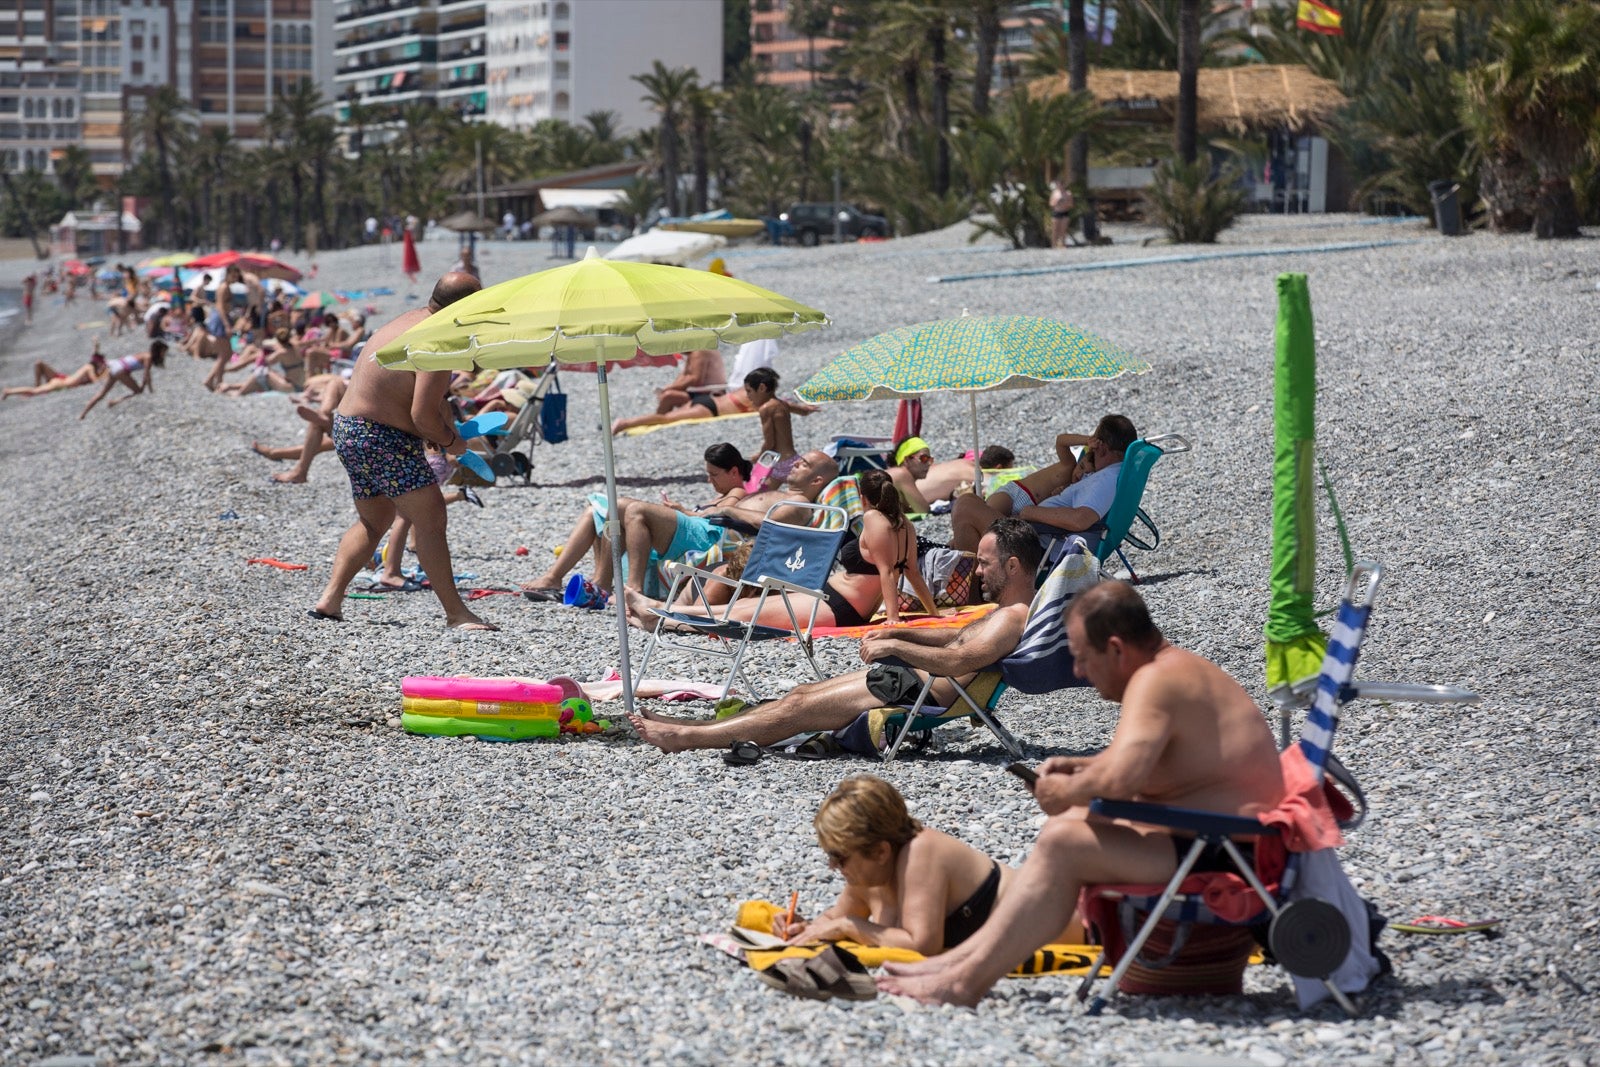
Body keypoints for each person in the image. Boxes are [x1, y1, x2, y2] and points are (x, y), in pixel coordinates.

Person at [878, 580, 1288, 1005]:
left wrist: (1068, 790)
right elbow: (1144, 763)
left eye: (1080, 658)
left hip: (1234, 853)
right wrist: (1082, 768)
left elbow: (1121, 781)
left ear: (1115, 649)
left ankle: (965, 981)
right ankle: (960, 962)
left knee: (1065, 840)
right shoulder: (1171, 669)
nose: (1077, 672)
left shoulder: (1155, 682)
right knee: (1072, 828)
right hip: (1225, 837)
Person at [628, 518, 1042, 752]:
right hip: (912, 681)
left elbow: (958, 661)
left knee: (797, 709)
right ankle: (689, 728)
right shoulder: (1002, 612)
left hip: (916, 691)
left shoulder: (1011, 618)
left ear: (1012, 567)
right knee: (799, 696)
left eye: (986, 563)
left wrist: (896, 644)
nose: (978, 571)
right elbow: (954, 644)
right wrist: (902, 635)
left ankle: (687, 739)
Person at [306, 271, 497, 631]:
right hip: (380, 436)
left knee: (373, 520)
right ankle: (457, 614)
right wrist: (453, 443)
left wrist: (437, 427)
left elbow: (414, 397)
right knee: (431, 518)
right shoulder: (441, 339)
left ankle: (329, 600)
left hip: (349, 428)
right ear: (467, 305)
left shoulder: (411, 320)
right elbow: (422, 415)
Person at [773, 776, 1081, 954]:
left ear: (880, 851)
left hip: (1091, 925)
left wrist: (849, 926)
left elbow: (921, 945)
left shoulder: (922, 852)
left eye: (839, 857)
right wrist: (801, 926)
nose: (833, 867)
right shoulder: (868, 877)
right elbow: (834, 920)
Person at [623, 466, 940, 633]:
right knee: (739, 612)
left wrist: (893, 620)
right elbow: (909, 571)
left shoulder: (872, 519)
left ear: (863, 496)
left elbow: (887, 572)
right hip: (833, 596)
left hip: (841, 607)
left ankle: (657, 613)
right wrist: (933, 612)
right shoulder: (905, 526)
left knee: (740, 614)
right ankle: (657, 613)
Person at [520, 442, 754, 600]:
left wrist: (690, 512)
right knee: (597, 511)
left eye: (714, 475)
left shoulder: (738, 493)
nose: (709, 480)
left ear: (734, 472)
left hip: (705, 537)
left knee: (630, 509)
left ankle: (626, 586)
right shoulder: (723, 494)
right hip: (692, 530)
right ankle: (562, 578)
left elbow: (724, 516)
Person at [614, 450, 840, 609]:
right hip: (709, 525)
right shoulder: (784, 494)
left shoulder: (799, 505)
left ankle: (634, 588)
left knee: (636, 510)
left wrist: (730, 512)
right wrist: (694, 512)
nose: (795, 464)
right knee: (618, 507)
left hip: (713, 537)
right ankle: (603, 587)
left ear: (816, 480)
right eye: (798, 461)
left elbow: (768, 525)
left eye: (804, 465)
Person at [947, 425, 1115, 552]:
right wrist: (1087, 440)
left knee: (987, 529)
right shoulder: (1068, 465)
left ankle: (962, 551)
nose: (1080, 473)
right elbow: (1060, 441)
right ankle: (955, 543)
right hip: (1016, 493)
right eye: (1082, 466)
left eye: (1087, 473)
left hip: (1028, 511)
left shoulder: (1075, 488)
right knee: (983, 519)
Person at [611, 365, 797, 437]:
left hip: (707, 399)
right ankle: (624, 423)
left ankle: (636, 422)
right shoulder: (758, 398)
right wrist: (800, 408)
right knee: (667, 419)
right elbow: (778, 405)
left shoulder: (745, 389)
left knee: (667, 414)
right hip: (709, 409)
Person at [887, 438, 1016, 514]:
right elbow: (922, 510)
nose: (929, 464)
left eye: (930, 459)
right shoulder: (901, 474)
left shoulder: (961, 464)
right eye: (924, 458)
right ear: (906, 461)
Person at [80, 340, 166, 418]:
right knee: (138, 391)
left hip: (114, 365)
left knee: (102, 393)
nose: (164, 354)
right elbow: (146, 375)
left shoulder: (144, 354)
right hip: (120, 370)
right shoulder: (148, 357)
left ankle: (83, 414)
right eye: (164, 352)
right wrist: (150, 389)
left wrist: (144, 386)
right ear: (160, 351)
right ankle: (115, 401)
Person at [653, 349, 728, 415]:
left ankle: (657, 422)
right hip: (704, 393)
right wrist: (670, 388)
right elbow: (684, 376)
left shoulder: (700, 352)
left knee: (668, 397)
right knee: (668, 394)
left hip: (711, 395)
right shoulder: (693, 353)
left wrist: (667, 389)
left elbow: (695, 380)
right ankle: (659, 421)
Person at [1050, 180, 1075, 249]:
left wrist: (1065, 202)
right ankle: (1054, 244)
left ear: (1064, 185)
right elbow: (1051, 204)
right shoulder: (1054, 193)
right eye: (1058, 185)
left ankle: (1063, 244)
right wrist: (1057, 202)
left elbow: (1071, 205)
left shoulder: (1068, 193)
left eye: (1061, 184)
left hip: (1064, 212)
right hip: (1057, 212)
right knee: (1055, 229)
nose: (1060, 186)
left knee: (1063, 230)